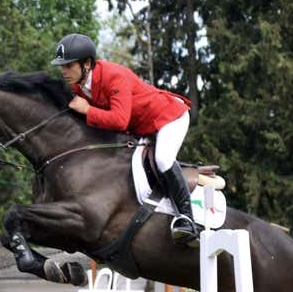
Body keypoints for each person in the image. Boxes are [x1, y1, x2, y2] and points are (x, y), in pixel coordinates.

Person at [51, 33, 198, 246]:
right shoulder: (79, 86)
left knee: (163, 159)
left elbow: (119, 120)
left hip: (168, 117)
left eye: (68, 65)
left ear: (87, 64)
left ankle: (187, 219)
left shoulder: (113, 76)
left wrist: (88, 110)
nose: (64, 71)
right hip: (141, 128)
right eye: (62, 66)